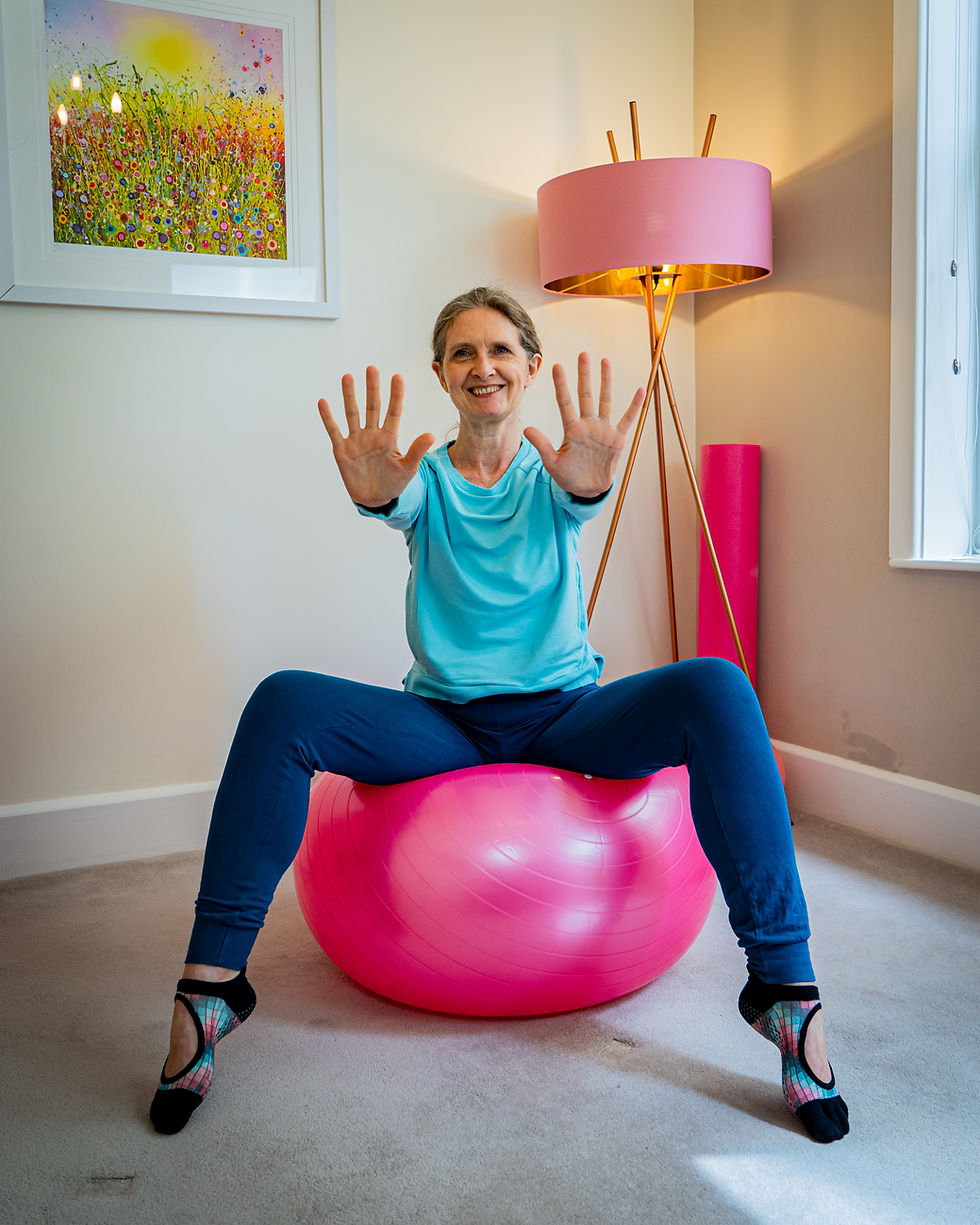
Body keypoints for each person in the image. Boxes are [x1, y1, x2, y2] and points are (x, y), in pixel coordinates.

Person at [150, 286, 849, 1144]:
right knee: (283, 698)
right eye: (463, 353)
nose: (483, 366)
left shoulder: (556, 470)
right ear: (442, 374)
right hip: (443, 725)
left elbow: (581, 491)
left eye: (501, 350)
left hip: (564, 717)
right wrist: (377, 497)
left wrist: (588, 488)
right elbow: (395, 501)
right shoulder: (426, 479)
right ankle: (210, 991)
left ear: (531, 367)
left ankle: (786, 995)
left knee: (716, 684)